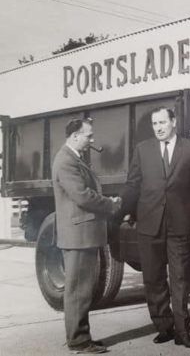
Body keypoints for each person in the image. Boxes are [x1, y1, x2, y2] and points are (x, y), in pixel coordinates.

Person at [121, 106, 190, 348]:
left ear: (173, 122)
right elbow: (132, 184)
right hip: (149, 225)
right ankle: (164, 327)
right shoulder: (142, 150)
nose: (158, 128)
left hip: (178, 226)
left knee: (179, 278)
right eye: (155, 124)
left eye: (162, 123)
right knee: (153, 279)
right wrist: (119, 209)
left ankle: (182, 332)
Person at [52, 118, 121, 354]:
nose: (92, 140)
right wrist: (110, 204)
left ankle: (80, 337)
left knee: (82, 289)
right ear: (75, 136)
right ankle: (79, 341)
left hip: (81, 233)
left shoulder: (71, 158)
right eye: (88, 136)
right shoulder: (66, 161)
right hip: (78, 235)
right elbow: (82, 196)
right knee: (79, 290)